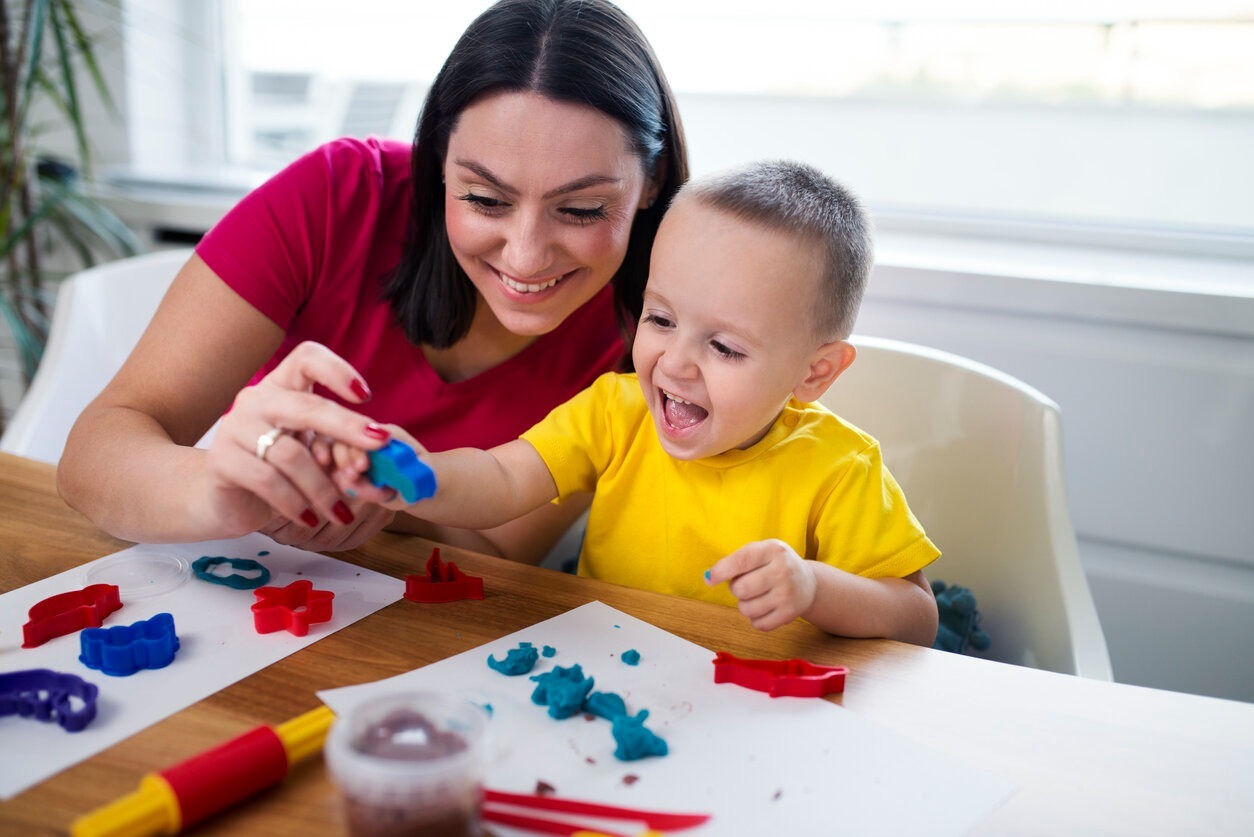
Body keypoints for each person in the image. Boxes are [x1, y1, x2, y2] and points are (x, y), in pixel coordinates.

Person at [56, 0, 688, 563]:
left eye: (581, 210)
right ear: (440, 160)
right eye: (484, 198)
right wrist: (222, 492)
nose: (525, 256)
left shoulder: (659, 332)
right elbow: (95, 455)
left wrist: (387, 500)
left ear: (652, 182)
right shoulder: (337, 197)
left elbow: (495, 553)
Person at [333, 161, 940, 643]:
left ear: (815, 372)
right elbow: (503, 477)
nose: (674, 362)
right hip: (614, 672)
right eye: (661, 318)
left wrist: (812, 587)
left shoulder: (839, 467)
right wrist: (421, 474)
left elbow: (917, 616)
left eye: (725, 347)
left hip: (761, 708)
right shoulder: (616, 412)